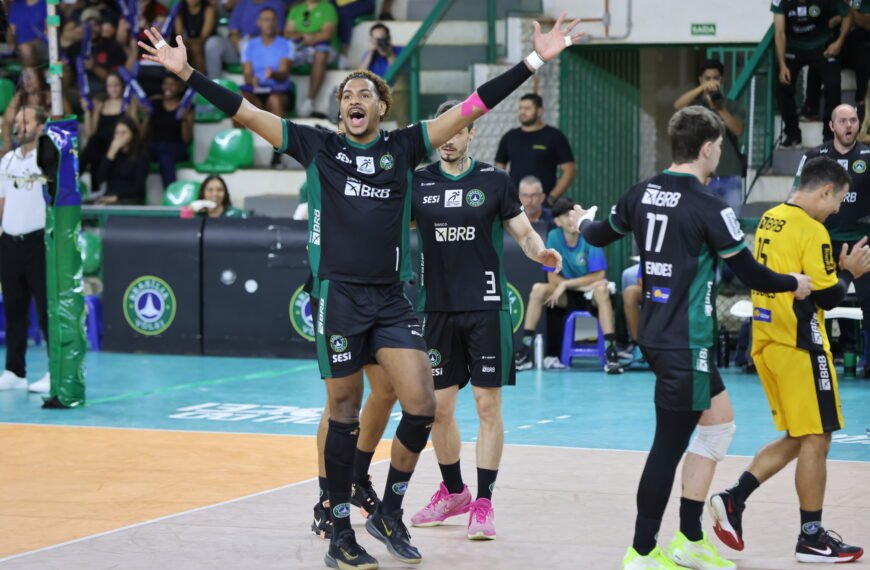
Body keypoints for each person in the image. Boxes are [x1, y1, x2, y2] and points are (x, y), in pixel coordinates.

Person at [139, 14, 581, 569]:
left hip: (392, 299)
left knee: (420, 404)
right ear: (340, 108)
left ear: (380, 107)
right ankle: (338, 525)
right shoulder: (317, 147)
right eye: (346, 93)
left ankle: (389, 510)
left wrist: (536, 59)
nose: (353, 98)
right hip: (340, 297)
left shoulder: (404, 148)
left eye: (364, 93)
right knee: (342, 408)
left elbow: (474, 105)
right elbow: (245, 112)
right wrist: (187, 74)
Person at [573, 105, 813, 569]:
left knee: (719, 422)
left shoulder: (640, 193)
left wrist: (582, 220)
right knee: (668, 446)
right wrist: (793, 283)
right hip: (687, 340)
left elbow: (600, 234)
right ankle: (642, 550)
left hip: (660, 333)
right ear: (706, 148)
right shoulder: (709, 206)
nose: (720, 153)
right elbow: (749, 273)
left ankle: (689, 537)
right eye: (719, 146)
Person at [408, 100, 561, 540]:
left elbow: (523, 232)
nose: (450, 138)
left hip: (486, 309)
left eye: (458, 130)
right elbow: (390, 229)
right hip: (436, 308)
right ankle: (454, 491)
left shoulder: (494, 180)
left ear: (471, 132)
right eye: (442, 130)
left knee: (487, 405)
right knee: (438, 410)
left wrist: (540, 253)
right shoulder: (418, 182)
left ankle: (484, 503)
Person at [709, 156, 868, 564]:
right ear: (825, 191)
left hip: (767, 341)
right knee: (819, 437)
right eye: (837, 201)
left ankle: (734, 499)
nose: (836, 210)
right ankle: (811, 537)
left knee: (801, 436)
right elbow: (828, 295)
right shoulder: (811, 230)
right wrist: (850, 271)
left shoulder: (770, 218)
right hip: (801, 345)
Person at [793, 104, 870, 374]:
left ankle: (866, 359)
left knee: (868, 299)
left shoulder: (868, 155)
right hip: (822, 240)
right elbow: (797, 194)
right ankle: (813, 353)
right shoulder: (816, 157)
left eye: (853, 120)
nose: (848, 125)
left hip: (862, 241)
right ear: (832, 126)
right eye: (843, 121)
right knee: (816, 297)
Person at [515, 198, 622, 374]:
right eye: (566, 215)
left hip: (591, 295)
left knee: (602, 289)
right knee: (538, 289)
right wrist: (566, 286)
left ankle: (611, 352)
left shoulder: (589, 235)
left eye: (573, 214)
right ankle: (525, 350)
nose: (571, 218)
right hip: (569, 295)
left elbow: (599, 275)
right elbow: (551, 276)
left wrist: (565, 284)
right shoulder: (554, 237)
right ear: (558, 221)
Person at [0, 106, 50, 394]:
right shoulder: (6, 161)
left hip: (38, 242)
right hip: (10, 242)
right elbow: (3, 202)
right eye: (17, 121)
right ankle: (14, 371)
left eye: (26, 121)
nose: (19, 126)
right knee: (14, 309)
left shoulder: (46, 159)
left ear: (40, 127)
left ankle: (54, 371)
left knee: (45, 310)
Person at [772, 0, 851, 146]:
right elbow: (780, 33)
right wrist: (782, 65)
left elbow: (847, 14)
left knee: (833, 85)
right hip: (793, 46)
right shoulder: (780, 1)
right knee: (782, 88)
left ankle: (829, 135)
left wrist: (839, 43)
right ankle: (792, 134)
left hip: (822, 44)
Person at [674, 59, 746, 215]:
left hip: (730, 173)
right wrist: (701, 89)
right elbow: (678, 106)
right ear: (701, 79)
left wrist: (718, 108)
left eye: (716, 78)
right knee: (703, 221)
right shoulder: (697, 106)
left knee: (732, 222)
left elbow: (738, 130)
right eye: (707, 78)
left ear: (722, 79)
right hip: (704, 175)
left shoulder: (731, 105)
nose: (712, 82)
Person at [495, 93, 576, 202]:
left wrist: (551, 198)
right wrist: (506, 196)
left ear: (539, 111)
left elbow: (569, 171)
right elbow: (499, 170)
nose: (522, 112)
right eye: (520, 108)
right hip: (516, 204)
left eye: (527, 108)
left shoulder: (554, 136)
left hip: (544, 205)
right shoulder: (509, 137)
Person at [241, 6, 293, 161]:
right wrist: (253, 80)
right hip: (257, 92)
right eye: (265, 20)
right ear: (259, 23)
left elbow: (284, 74)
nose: (269, 23)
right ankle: (240, 148)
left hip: (279, 92)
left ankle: (278, 153)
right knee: (238, 102)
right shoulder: (249, 45)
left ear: (277, 23)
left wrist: (273, 74)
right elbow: (247, 75)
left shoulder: (286, 44)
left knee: (275, 100)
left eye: (272, 20)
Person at [79, 72, 139, 190]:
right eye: (110, 86)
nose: (113, 89)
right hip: (101, 144)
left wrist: (129, 113)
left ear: (122, 86)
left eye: (116, 85)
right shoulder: (101, 105)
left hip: (119, 144)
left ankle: (87, 185)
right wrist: (87, 112)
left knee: (96, 149)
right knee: (93, 144)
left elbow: (134, 129)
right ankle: (78, 179)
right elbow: (91, 133)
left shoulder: (128, 103)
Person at [284, 0, 339, 118]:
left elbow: (327, 34)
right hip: (301, 48)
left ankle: (309, 101)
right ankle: (284, 96)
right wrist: (307, 36)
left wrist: (306, 37)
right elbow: (288, 33)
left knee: (320, 53)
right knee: (283, 54)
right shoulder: (296, 9)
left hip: (324, 48)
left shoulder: (327, 7)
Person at [205, 0, 287, 79]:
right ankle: (213, 84)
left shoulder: (276, 3)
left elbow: (277, 34)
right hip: (241, 45)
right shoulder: (242, 3)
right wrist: (242, 49)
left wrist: (257, 50)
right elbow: (233, 32)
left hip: (264, 49)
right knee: (213, 43)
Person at [145, 74, 193, 187]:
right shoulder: (154, 104)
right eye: (166, 84)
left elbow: (186, 140)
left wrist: (185, 120)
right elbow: (144, 135)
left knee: (165, 155)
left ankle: (170, 192)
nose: (168, 87)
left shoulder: (186, 107)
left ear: (180, 87)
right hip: (155, 147)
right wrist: (147, 116)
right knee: (140, 155)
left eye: (172, 84)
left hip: (177, 148)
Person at [96, 116, 149, 204]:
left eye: (124, 133)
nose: (119, 136)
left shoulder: (141, 155)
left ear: (132, 134)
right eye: (117, 133)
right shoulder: (112, 153)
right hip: (109, 196)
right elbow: (100, 178)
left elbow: (139, 188)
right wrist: (110, 154)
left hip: (130, 198)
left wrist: (117, 197)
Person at [1, 67, 53, 155]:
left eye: (30, 77)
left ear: (39, 78)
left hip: (46, 141)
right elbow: (6, 122)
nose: (27, 81)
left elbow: (66, 122)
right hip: (21, 141)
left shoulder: (53, 97)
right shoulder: (19, 97)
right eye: (24, 78)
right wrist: (7, 143)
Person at [174, 0, 217, 74]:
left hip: (206, 41)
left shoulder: (208, 9)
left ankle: (202, 79)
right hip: (188, 41)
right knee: (180, 49)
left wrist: (190, 43)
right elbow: (179, 34)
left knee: (195, 48)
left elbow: (204, 35)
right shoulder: (180, 9)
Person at [8, 0, 48, 67]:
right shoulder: (16, 5)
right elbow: (11, 29)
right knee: (25, 49)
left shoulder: (47, 4)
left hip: (43, 43)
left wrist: (31, 43)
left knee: (26, 49)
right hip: (22, 45)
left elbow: (48, 30)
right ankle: (29, 73)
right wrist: (11, 42)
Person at [618, 263, 643, 363]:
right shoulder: (649, 252)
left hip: (675, 292)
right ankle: (638, 346)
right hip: (655, 292)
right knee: (630, 293)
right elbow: (642, 283)